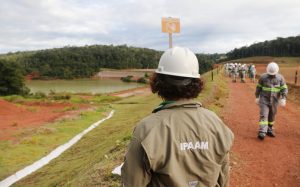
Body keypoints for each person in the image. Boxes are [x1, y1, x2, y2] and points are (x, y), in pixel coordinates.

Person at [121, 46, 234, 187]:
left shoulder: (146, 130)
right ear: (197, 83)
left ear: (158, 82)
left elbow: (132, 182)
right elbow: (223, 179)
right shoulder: (216, 123)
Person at [255, 62, 288, 140]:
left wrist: (283, 98)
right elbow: (258, 88)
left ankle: (269, 129)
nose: (271, 75)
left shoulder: (280, 78)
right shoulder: (262, 77)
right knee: (264, 114)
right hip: (264, 100)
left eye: (273, 74)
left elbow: (284, 89)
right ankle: (262, 131)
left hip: (275, 101)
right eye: (270, 73)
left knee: (272, 115)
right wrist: (257, 97)